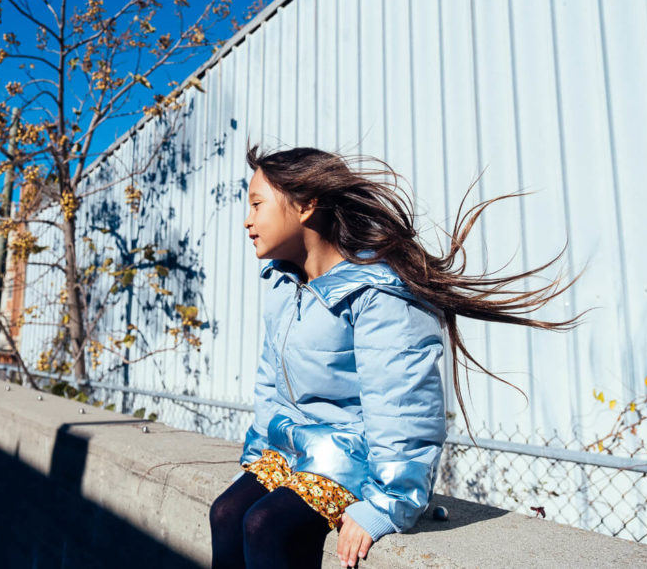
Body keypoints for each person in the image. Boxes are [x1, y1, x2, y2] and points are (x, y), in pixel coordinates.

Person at [209, 144, 583, 569]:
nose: (248, 220)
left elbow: (402, 404)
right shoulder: (284, 285)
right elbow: (270, 381)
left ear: (307, 205)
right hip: (295, 452)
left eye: (257, 204)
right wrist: (260, 454)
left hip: (352, 459)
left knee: (267, 525)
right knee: (225, 513)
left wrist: (387, 504)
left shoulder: (378, 292)